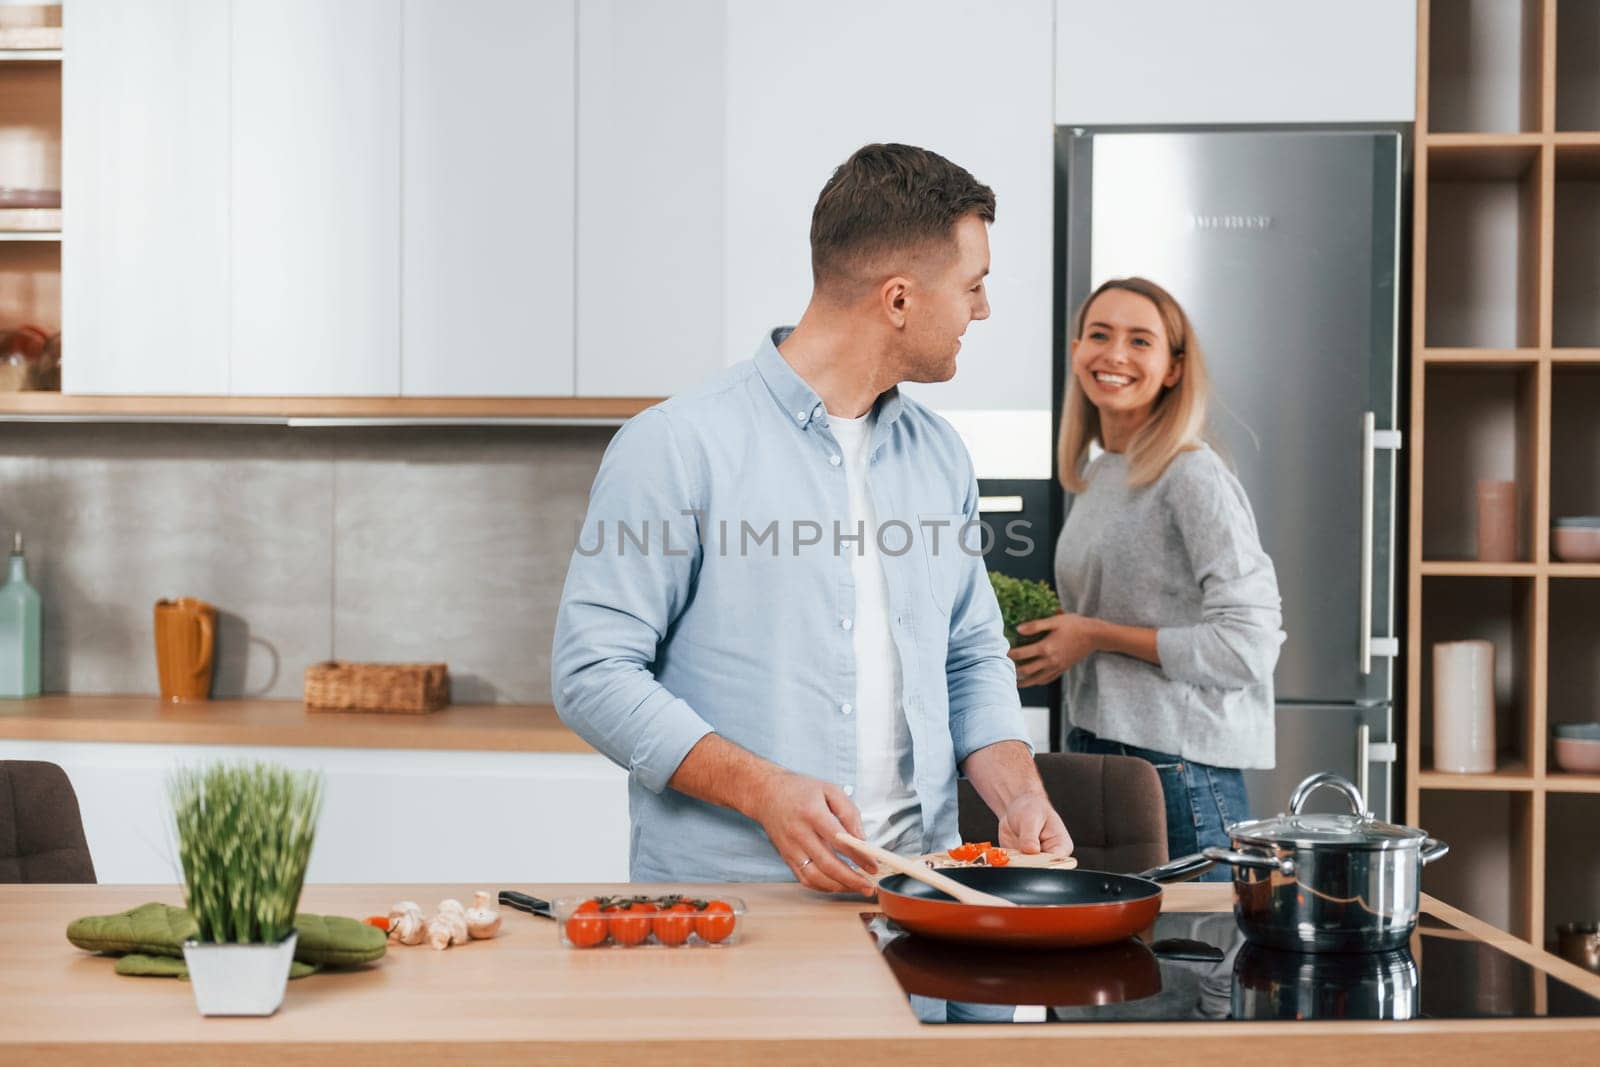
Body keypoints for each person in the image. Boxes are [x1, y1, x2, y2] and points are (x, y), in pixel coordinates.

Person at [553, 143, 1073, 892]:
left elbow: (969, 655)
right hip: (735, 910)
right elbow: (591, 672)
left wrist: (1018, 792)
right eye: (973, 285)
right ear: (899, 299)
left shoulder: (940, 456)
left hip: (928, 895)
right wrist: (763, 790)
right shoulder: (676, 446)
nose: (982, 309)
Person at [1008, 277, 1282, 879]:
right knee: (1131, 967)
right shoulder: (1103, 472)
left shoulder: (1191, 474)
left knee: (1194, 967)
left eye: (1140, 340)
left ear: (1173, 368)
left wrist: (1096, 635)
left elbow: (1249, 646)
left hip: (1180, 773)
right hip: (1104, 757)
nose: (1115, 355)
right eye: (1099, 335)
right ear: (1077, 349)